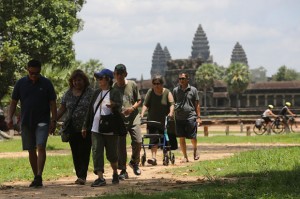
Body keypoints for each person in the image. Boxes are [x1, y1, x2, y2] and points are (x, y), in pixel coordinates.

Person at [7, 60, 57, 188]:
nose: (34, 76)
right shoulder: (21, 83)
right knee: (30, 149)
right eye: (32, 73)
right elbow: (13, 101)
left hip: (43, 121)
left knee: (40, 146)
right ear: (27, 70)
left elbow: (52, 103)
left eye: (37, 73)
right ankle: (36, 177)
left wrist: (53, 120)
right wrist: (9, 117)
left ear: (40, 71)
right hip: (26, 121)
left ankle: (39, 175)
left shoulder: (46, 83)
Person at [82, 69, 122, 187]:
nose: (99, 80)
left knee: (112, 155)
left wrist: (114, 105)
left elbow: (119, 106)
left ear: (108, 79)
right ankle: (100, 178)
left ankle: (115, 171)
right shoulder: (96, 93)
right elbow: (90, 110)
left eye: (101, 78)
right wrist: (85, 125)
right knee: (96, 152)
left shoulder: (114, 92)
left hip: (110, 128)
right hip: (95, 128)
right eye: (98, 78)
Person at [56, 69, 94, 185]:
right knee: (75, 152)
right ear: (71, 81)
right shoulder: (68, 93)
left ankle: (82, 175)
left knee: (85, 151)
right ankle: (79, 175)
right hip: (72, 127)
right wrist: (53, 120)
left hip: (86, 128)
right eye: (75, 80)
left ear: (84, 81)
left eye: (79, 80)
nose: (77, 82)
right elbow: (62, 109)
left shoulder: (90, 92)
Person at [113, 64, 142, 179]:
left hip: (133, 117)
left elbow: (139, 100)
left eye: (121, 73)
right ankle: (123, 169)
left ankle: (134, 162)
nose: (119, 76)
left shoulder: (132, 85)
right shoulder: (113, 88)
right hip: (120, 119)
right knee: (121, 145)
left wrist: (132, 109)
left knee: (138, 140)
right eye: (117, 74)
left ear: (126, 74)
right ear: (114, 75)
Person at [140, 75, 174, 166]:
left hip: (164, 121)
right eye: (154, 84)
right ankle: (154, 158)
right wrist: (142, 113)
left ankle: (165, 155)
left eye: (158, 84)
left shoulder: (167, 92)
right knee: (153, 139)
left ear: (162, 84)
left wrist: (171, 113)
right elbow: (145, 104)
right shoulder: (150, 92)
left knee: (164, 139)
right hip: (152, 121)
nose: (156, 86)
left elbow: (171, 104)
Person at [172, 72, 201, 163]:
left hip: (191, 116)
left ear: (187, 79)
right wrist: (171, 114)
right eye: (180, 79)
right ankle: (185, 156)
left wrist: (198, 117)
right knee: (181, 137)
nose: (181, 80)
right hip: (179, 117)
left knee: (193, 137)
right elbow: (173, 103)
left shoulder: (193, 90)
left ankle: (195, 149)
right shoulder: (176, 90)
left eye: (183, 78)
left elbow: (197, 104)